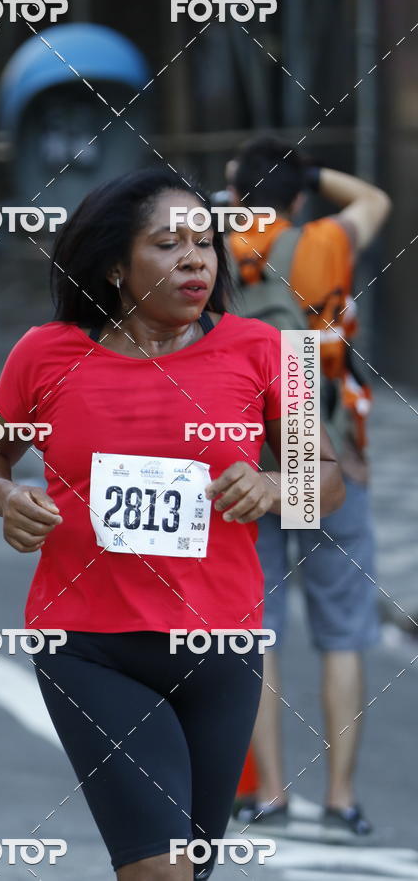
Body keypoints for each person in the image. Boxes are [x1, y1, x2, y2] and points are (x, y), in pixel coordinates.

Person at [0, 167, 345, 879]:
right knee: (158, 868)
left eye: (204, 243)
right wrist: (3, 497)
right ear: (113, 267)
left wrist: (273, 483)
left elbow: (326, 477)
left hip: (220, 644)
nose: (195, 258)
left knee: (191, 868)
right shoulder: (45, 354)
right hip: (88, 645)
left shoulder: (264, 350)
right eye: (168, 244)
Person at [224, 136, 391, 839]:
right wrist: (309, 173)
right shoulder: (325, 237)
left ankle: (270, 795)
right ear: (296, 196)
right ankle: (342, 797)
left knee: (257, 631)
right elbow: (376, 199)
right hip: (330, 456)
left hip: (248, 456)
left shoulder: (216, 246)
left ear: (237, 194)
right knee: (343, 631)